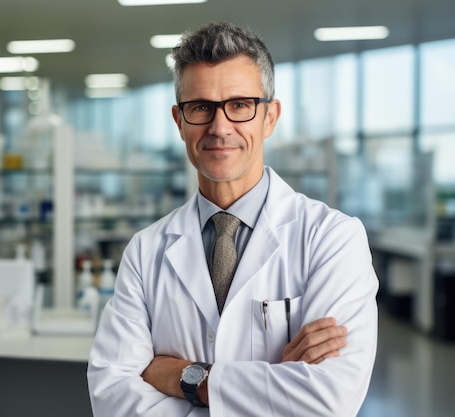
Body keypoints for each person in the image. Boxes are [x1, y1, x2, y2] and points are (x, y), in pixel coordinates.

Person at [87, 21, 378, 417]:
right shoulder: (146, 249)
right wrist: (273, 384)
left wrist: (186, 378)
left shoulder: (332, 239)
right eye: (201, 107)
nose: (220, 127)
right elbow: (112, 395)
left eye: (240, 105)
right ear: (179, 121)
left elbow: (327, 399)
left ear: (270, 117)